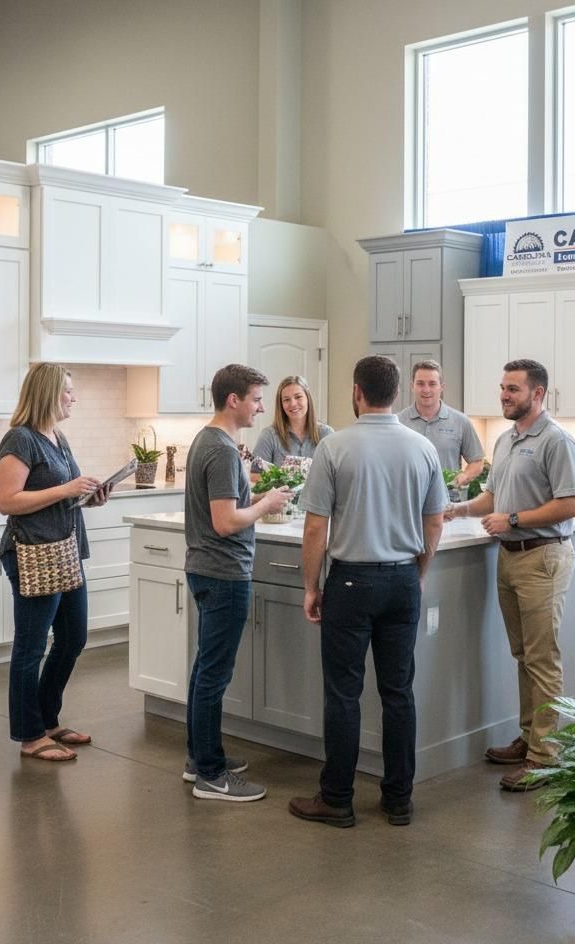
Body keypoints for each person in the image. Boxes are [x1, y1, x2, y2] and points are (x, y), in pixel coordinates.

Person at [290, 355, 447, 828]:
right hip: (402, 579)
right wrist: (417, 573)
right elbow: (434, 521)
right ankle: (398, 798)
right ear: (397, 394)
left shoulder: (334, 448)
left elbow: (316, 527)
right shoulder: (422, 448)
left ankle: (337, 798)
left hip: (351, 582)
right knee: (398, 691)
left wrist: (310, 586)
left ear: (357, 392)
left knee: (344, 693)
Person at [445, 358, 575, 791]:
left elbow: (571, 504)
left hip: (543, 557)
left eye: (513, 390)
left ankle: (545, 756)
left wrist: (515, 520)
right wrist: (458, 510)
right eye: (502, 388)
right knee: (524, 655)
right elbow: (493, 496)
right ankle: (529, 739)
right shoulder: (505, 440)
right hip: (510, 558)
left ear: (537, 394)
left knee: (543, 660)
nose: (504, 396)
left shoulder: (557, 441)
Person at [184, 363, 292, 802]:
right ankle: (212, 775)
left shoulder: (208, 440)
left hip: (205, 568)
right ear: (234, 400)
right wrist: (265, 504)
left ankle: (200, 758)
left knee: (204, 670)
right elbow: (226, 521)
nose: (261, 408)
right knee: (214, 673)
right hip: (224, 571)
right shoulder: (224, 450)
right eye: (257, 399)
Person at [0, 363, 111, 762]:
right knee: (30, 648)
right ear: (48, 394)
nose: (73, 398)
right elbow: (7, 501)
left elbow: (61, 495)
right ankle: (30, 736)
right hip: (31, 553)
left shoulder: (57, 438)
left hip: (65, 551)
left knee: (73, 637)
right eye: (68, 391)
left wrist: (88, 495)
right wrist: (66, 487)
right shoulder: (20, 439)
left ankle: (47, 719)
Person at [397, 360, 484, 486]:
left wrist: (465, 475)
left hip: (449, 500)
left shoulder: (461, 421)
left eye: (432, 384)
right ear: (412, 386)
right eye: (420, 384)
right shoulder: (398, 422)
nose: (426, 390)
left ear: (441, 387)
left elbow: (477, 462)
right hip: (408, 500)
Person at [252, 375, 333, 472]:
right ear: (281, 405)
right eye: (286, 400)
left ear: (308, 398)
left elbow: (335, 475)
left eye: (298, 397)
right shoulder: (269, 436)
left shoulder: (327, 434)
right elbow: (255, 476)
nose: (293, 404)